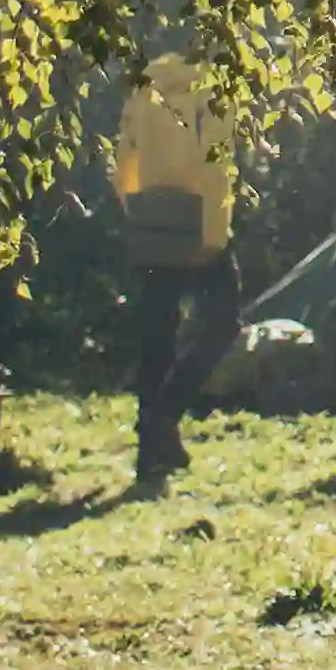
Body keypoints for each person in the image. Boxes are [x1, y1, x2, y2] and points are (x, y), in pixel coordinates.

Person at [113, 48, 241, 493]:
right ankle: (165, 412)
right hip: (195, 217)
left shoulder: (144, 91)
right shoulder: (211, 91)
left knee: (156, 338)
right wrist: (214, 234)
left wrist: (134, 209)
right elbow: (217, 168)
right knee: (224, 322)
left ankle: (152, 456)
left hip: (150, 217)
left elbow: (123, 161)